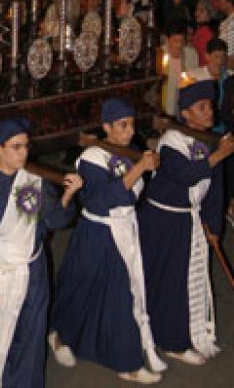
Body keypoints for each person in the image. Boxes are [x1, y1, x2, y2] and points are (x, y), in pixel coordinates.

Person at [48, 99, 165, 384]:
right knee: (80, 287)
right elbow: (98, 201)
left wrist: (146, 165)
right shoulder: (91, 158)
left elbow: (135, 192)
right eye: (122, 126)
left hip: (125, 228)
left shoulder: (129, 151)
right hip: (98, 231)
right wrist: (139, 169)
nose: (129, 131)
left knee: (121, 292)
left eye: (132, 125)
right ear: (106, 127)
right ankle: (59, 336)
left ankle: (124, 358)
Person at [0, 118, 83, 388]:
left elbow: (56, 220)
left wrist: (68, 195)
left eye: (26, 146)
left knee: (30, 335)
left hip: (33, 270)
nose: (23, 153)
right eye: (15, 147)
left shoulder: (34, 180)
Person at [138, 80, 234, 365]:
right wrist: (219, 155)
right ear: (185, 114)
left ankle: (180, 335)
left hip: (187, 220)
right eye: (201, 108)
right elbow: (185, 174)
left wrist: (213, 226)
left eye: (210, 107)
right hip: (162, 220)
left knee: (182, 280)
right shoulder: (171, 142)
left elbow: (215, 189)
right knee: (166, 280)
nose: (209, 113)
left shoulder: (207, 140)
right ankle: (169, 341)